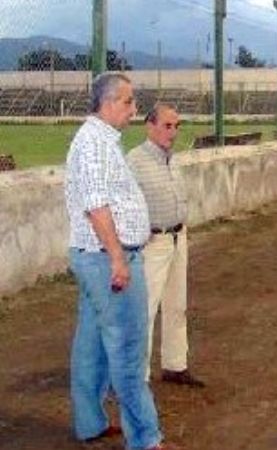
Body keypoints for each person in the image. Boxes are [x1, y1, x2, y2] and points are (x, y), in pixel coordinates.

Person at [64, 72, 167, 450]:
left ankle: (90, 423)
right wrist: (119, 259)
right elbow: (95, 205)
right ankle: (145, 439)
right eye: (128, 101)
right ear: (107, 103)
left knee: (91, 345)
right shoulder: (94, 144)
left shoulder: (103, 141)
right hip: (107, 259)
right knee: (127, 349)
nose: (134, 108)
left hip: (97, 256)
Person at [127, 104, 204, 388]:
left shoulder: (173, 160)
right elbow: (124, 203)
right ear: (150, 126)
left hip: (177, 237)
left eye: (176, 126)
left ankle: (175, 365)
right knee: (145, 309)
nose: (173, 132)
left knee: (176, 305)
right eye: (167, 126)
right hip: (152, 242)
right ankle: (138, 376)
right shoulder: (134, 161)